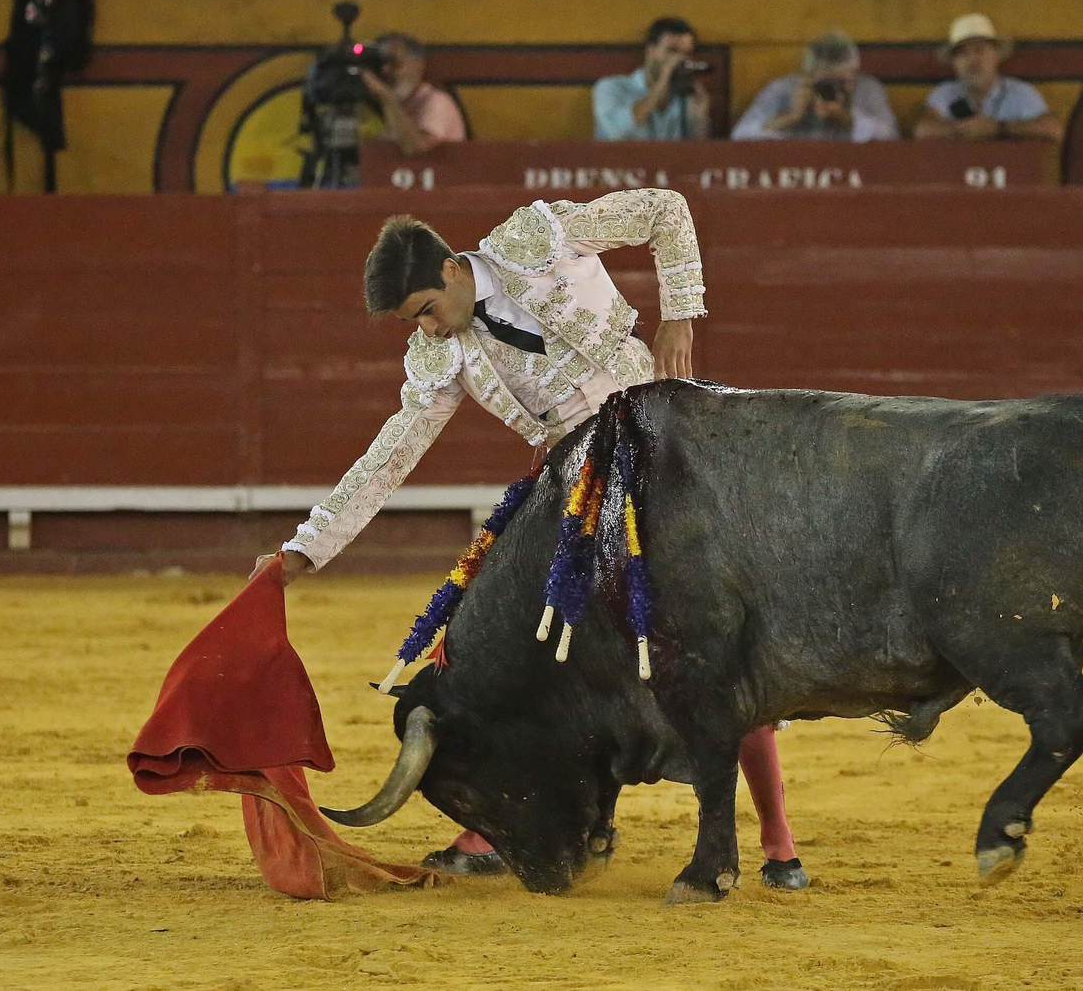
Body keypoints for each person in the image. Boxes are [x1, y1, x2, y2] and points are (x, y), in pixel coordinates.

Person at [254, 189, 810, 891]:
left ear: (453, 270)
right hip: (573, 485)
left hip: (665, 446)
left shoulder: (536, 238)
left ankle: (778, 840)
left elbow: (665, 210)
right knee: (515, 636)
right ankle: (497, 823)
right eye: (410, 322)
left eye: (425, 310)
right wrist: (305, 550)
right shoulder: (441, 358)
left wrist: (680, 315)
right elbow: (390, 456)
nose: (425, 330)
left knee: (712, 637)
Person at [914, 14, 1064, 142]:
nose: (972, 60)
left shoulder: (1021, 93)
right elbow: (922, 130)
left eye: (979, 50)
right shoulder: (945, 93)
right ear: (954, 63)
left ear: (996, 55)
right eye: (962, 53)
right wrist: (965, 129)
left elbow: (1053, 129)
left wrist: (1000, 128)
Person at [731, 31, 897, 142]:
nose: (834, 88)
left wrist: (844, 117)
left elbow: (891, 137)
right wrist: (791, 117)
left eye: (842, 82)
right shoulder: (785, 89)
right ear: (808, 76)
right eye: (825, 82)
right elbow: (740, 136)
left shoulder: (867, 89)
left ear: (855, 74)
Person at [593, 17, 711, 141]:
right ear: (651, 51)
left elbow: (697, 153)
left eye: (686, 53)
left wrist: (700, 119)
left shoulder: (685, 97)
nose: (679, 60)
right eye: (672, 51)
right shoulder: (611, 87)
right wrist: (662, 84)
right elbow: (616, 131)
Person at [360, 32, 467, 156]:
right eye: (380, 65)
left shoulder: (437, 102)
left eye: (394, 63)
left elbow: (416, 148)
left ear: (418, 64)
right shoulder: (389, 106)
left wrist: (386, 96)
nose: (385, 71)